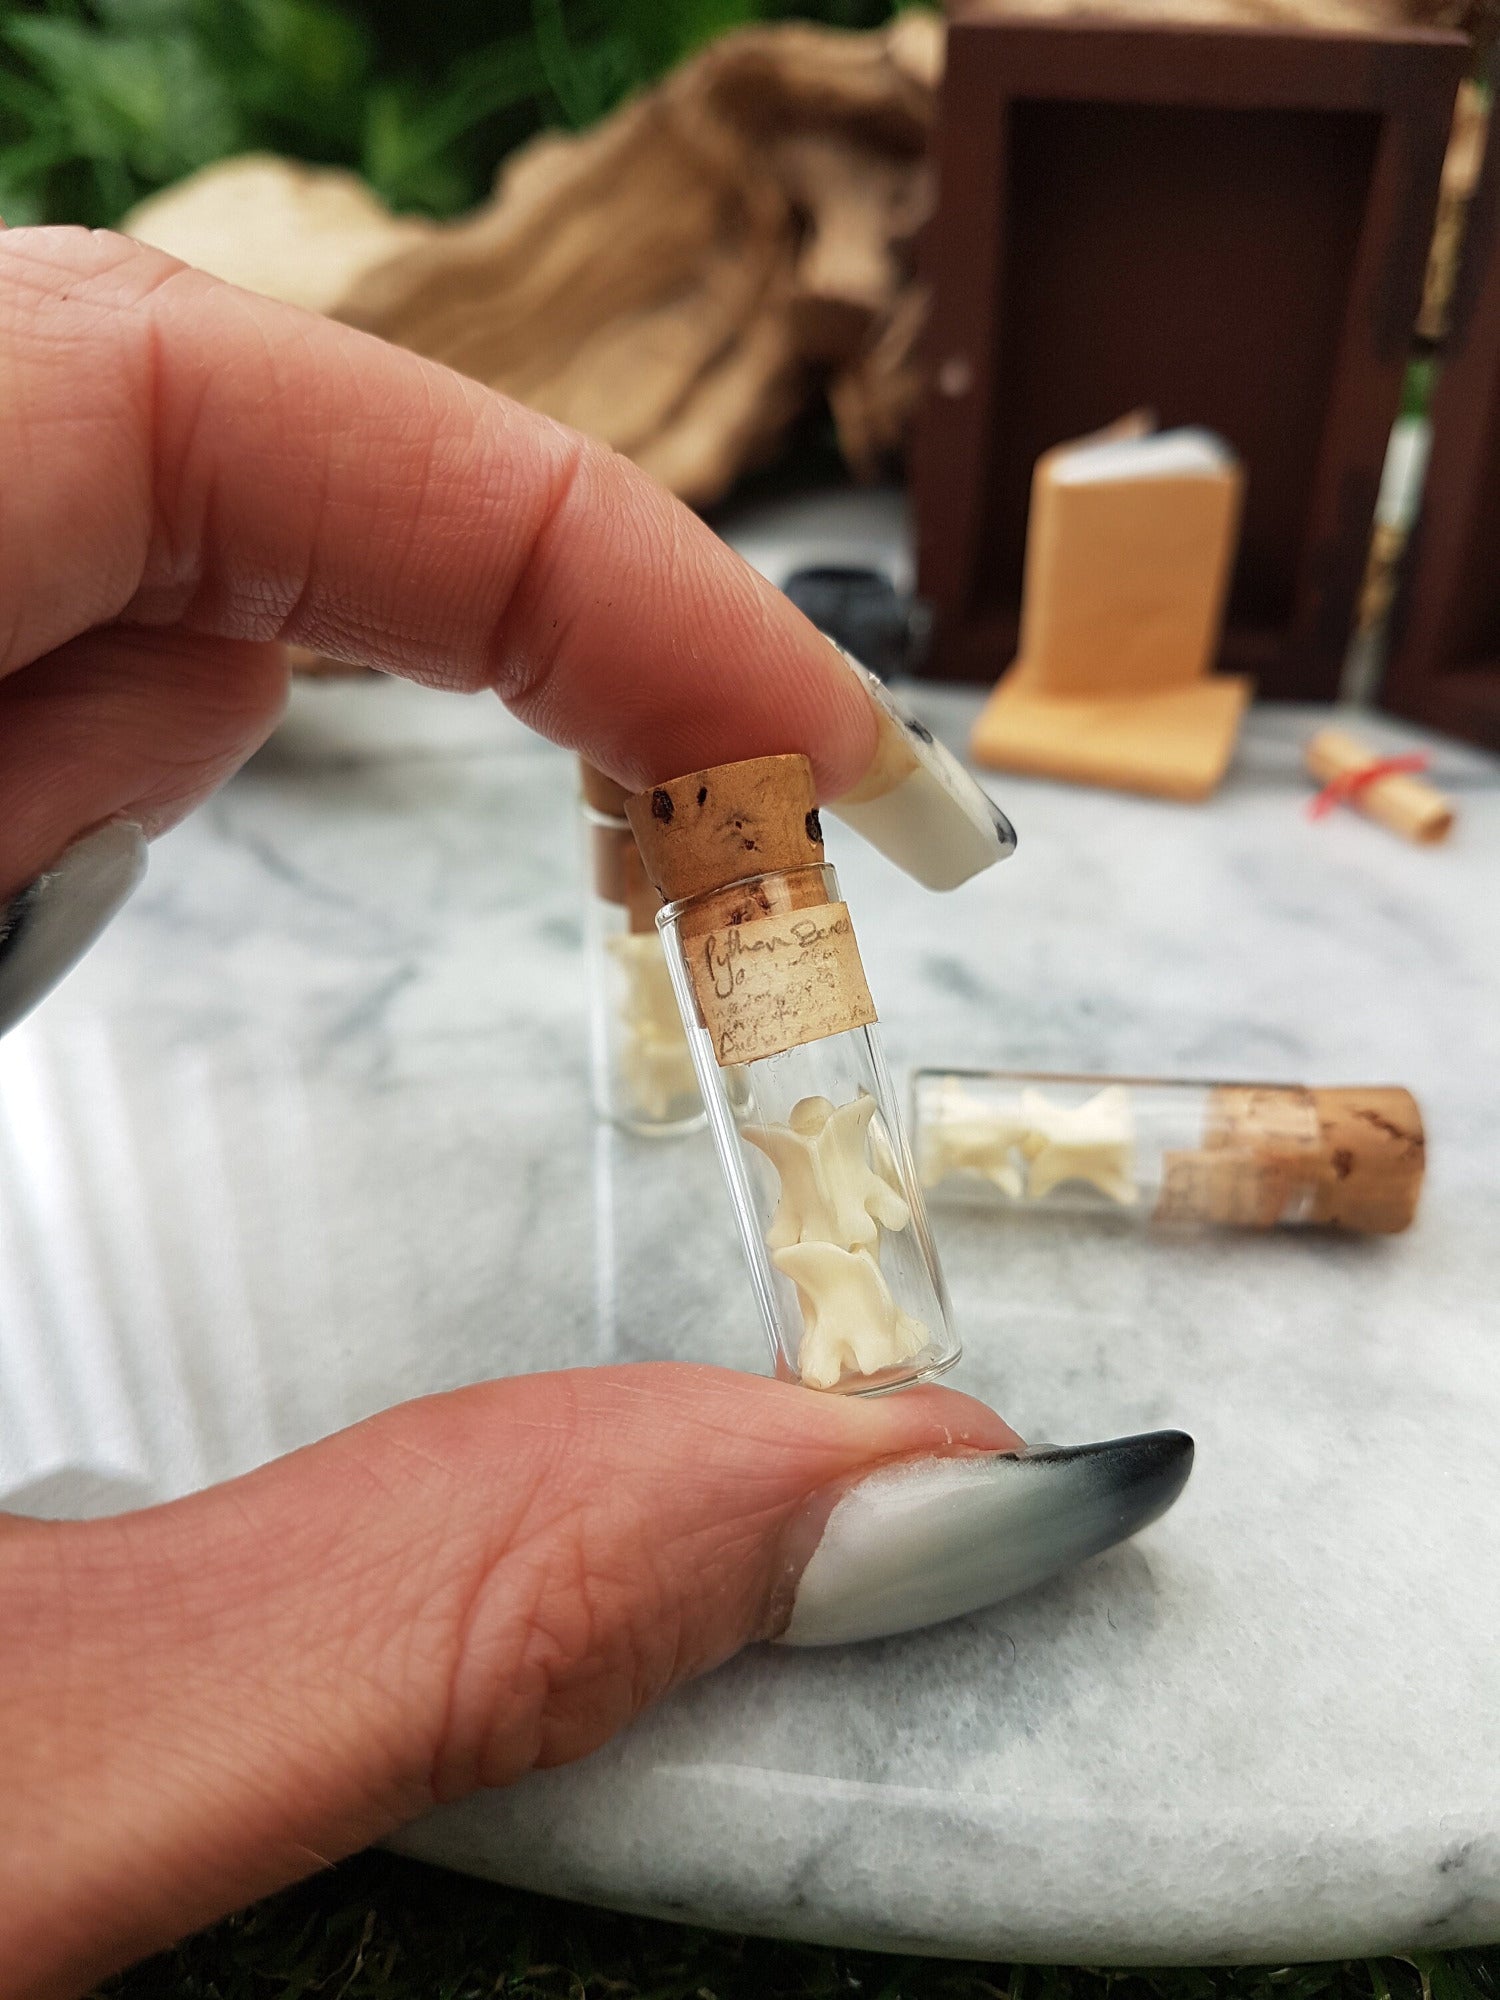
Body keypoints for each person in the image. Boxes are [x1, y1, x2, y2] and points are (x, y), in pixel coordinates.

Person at [0, 226, 1190, 1999]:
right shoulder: (696, 879)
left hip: (791, 1062)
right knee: (807, 1177)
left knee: (832, 1190)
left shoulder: (761, 903)